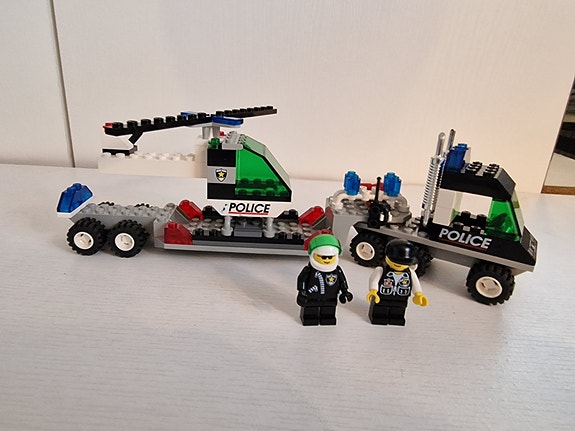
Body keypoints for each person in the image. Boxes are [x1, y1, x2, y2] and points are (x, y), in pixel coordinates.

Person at [366, 239, 428, 325]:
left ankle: (396, 318)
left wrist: (418, 294)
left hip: (401, 297)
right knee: (380, 308)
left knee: (398, 309)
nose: (398, 264)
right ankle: (378, 316)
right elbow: (374, 280)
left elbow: (415, 283)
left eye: (403, 262)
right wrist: (373, 291)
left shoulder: (410, 273)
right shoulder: (381, 270)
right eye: (395, 260)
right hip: (382, 296)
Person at [296, 233, 353, 325]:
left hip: (331, 296)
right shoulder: (309, 270)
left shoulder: (337, 270)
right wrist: (302, 292)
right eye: (323, 257)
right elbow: (302, 280)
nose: (327, 260)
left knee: (329, 309)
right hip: (312, 296)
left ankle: (328, 317)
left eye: (330, 257)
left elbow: (342, 281)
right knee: (311, 309)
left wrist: (345, 291)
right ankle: (309, 317)